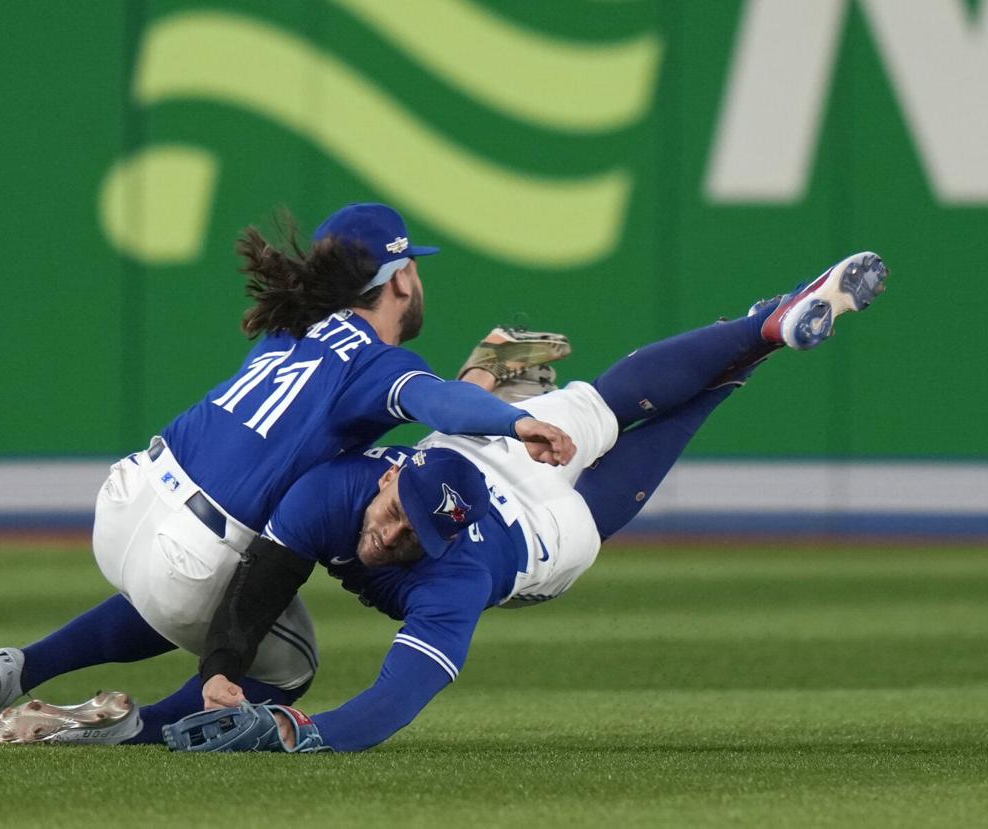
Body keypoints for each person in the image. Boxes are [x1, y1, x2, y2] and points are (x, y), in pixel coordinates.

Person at [146, 251, 890, 753]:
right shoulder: (337, 491)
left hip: (543, 528)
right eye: (396, 509)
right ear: (385, 476)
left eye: (409, 533)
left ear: (442, 537)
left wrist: (304, 730)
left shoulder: (455, 574)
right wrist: (222, 668)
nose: (391, 534)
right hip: (489, 447)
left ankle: (755, 339)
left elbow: (396, 695)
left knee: (663, 411)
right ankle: (758, 329)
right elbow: (259, 588)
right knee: (602, 400)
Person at [0, 202, 576, 744]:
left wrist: (485, 374)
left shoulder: (287, 334)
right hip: (194, 548)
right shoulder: (375, 364)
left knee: (189, 597)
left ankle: (18, 667)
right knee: (286, 665)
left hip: (129, 499)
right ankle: (126, 730)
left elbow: (441, 402)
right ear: (402, 278)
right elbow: (438, 404)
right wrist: (513, 421)